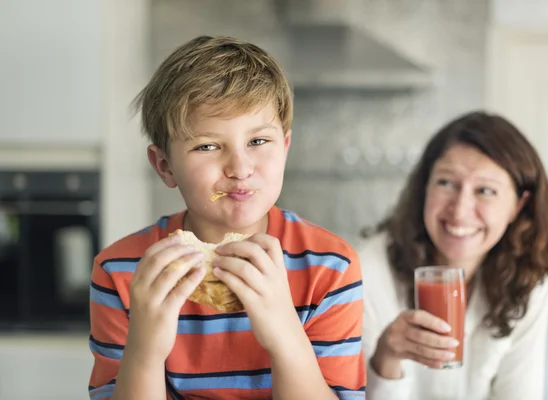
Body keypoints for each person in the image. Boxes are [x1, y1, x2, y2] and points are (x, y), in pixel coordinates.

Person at [88, 35, 366, 400]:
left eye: (258, 142)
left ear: (284, 147)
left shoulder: (330, 268)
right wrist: (145, 352)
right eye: (207, 146)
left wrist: (285, 336)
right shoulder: (121, 271)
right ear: (164, 165)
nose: (239, 168)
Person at [359, 111, 548, 400]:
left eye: (485, 190)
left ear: (517, 206)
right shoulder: (367, 270)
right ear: (425, 188)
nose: (459, 211)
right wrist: (387, 357)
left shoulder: (526, 281)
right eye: (446, 183)